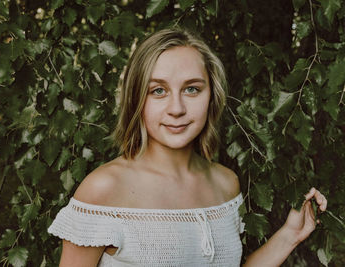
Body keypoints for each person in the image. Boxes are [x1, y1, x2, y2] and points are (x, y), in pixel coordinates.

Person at [48, 28, 327, 267]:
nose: (177, 109)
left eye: (192, 89)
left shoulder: (225, 184)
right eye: (158, 90)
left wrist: (291, 234)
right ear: (136, 100)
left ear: (212, 96)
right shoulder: (103, 189)